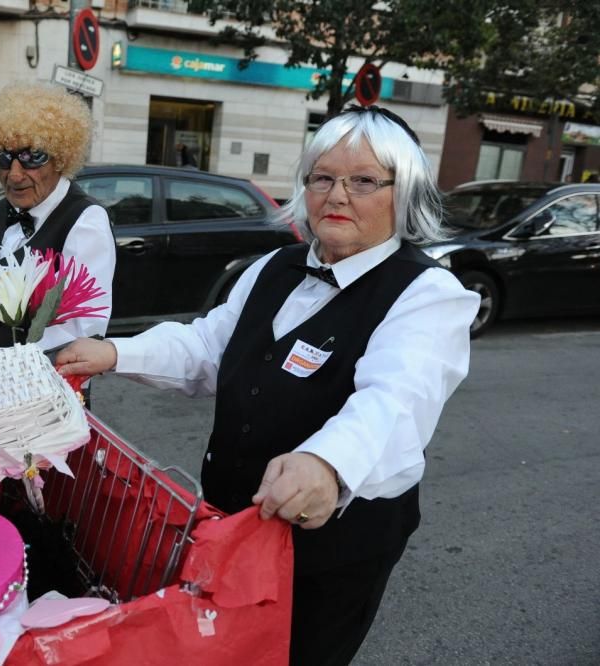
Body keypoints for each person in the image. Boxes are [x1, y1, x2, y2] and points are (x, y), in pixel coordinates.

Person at [57, 105, 479, 665]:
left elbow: (395, 400)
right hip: (228, 524)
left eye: (363, 181)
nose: (337, 194)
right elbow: (207, 346)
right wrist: (113, 352)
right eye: (323, 177)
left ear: (403, 195)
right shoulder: (273, 267)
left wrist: (327, 463)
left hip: (332, 552)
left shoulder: (427, 292)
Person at [0, 81, 116, 353]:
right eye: (1, 157)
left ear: (60, 158)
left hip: (50, 387)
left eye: (32, 156)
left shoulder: (85, 222)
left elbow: (86, 332)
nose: (13, 174)